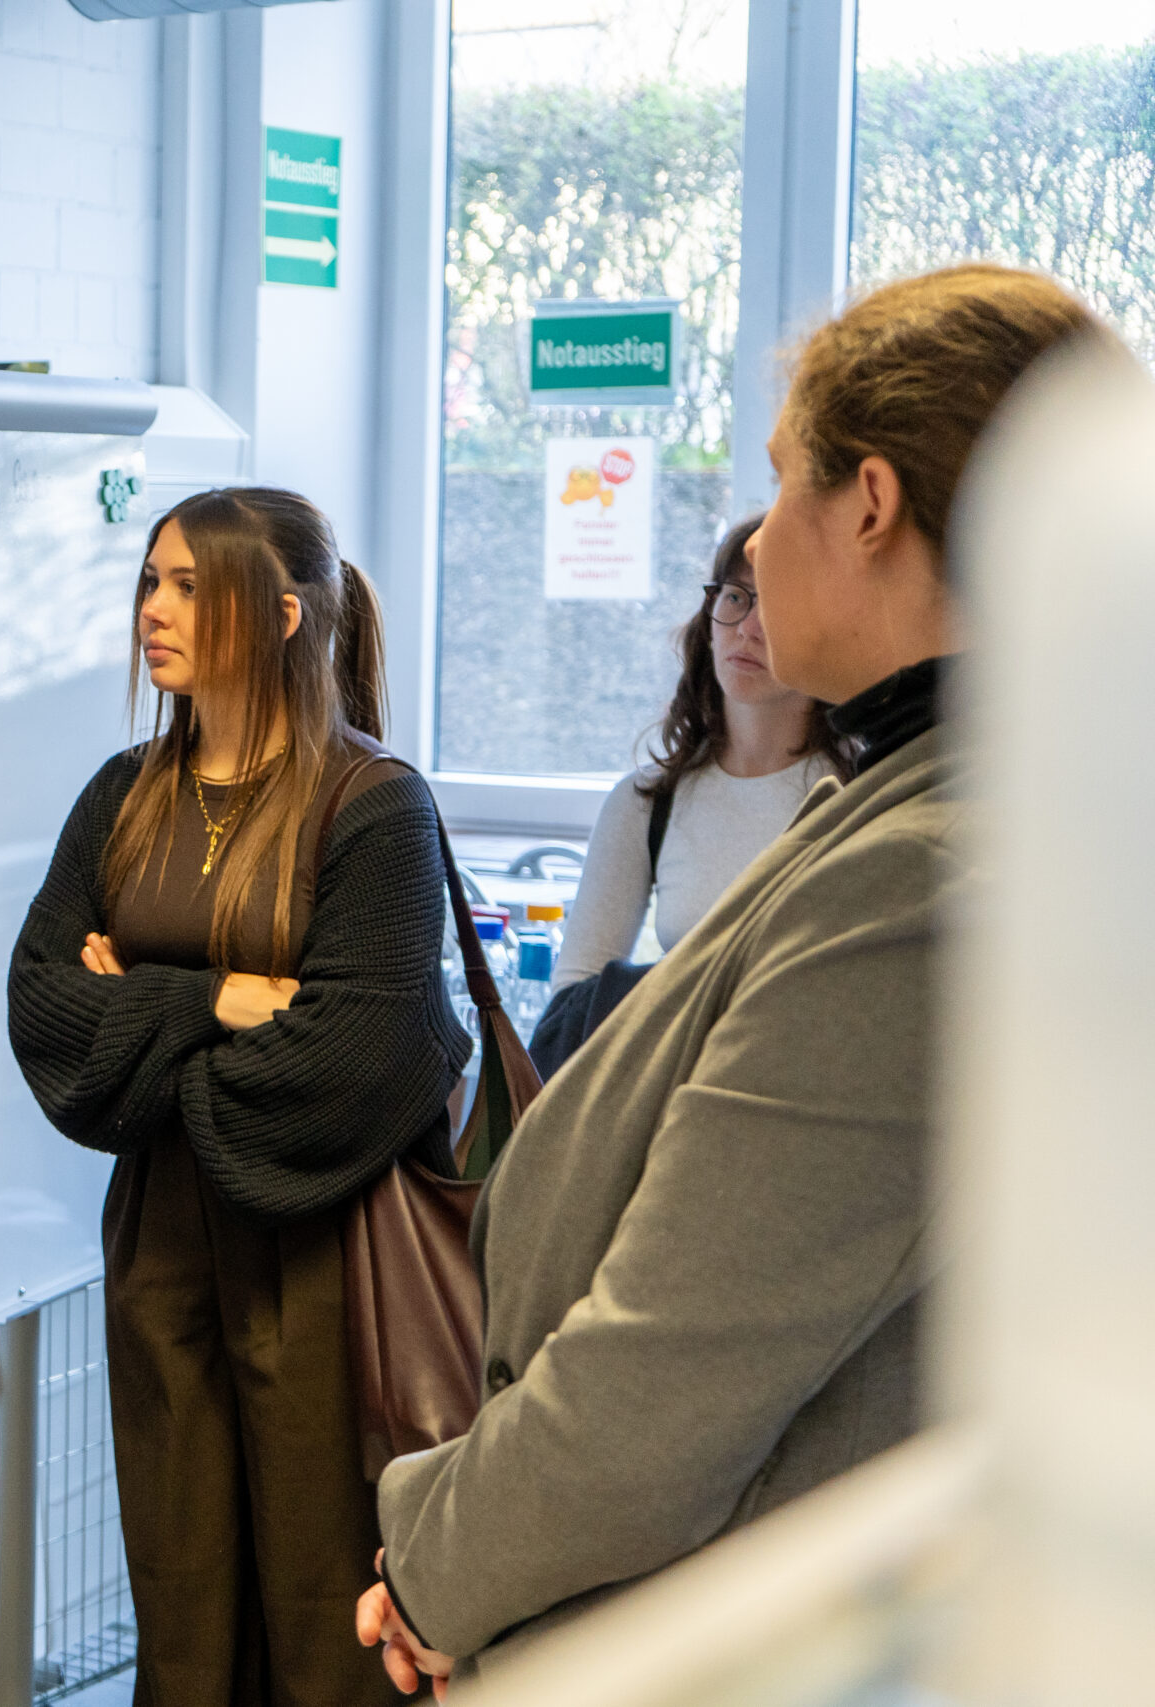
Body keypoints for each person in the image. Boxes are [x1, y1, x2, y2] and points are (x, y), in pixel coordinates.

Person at [356, 265, 1106, 1693]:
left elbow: (658, 1388)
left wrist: (434, 1566)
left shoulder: (936, 874)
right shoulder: (935, 801)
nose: (755, 547)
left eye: (778, 486)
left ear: (870, 503)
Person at [6, 488, 467, 1707]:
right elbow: (42, 1014)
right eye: (148, 581)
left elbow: (351, 1065)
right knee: (184, 1604)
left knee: (324, 1621)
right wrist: (220, 1000)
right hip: (161, 1258)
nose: (151, 610)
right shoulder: (123, 793)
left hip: (325, 1266)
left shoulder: (372, 805)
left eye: (187, 587)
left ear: (278, 616)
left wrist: (140, 1016)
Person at [528, 518, 856, 1075]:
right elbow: (569, 1015)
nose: (748, 628)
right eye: (734, 597)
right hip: (669, 1108)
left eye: (774, 605)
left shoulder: (858, 794)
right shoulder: (646, 801)